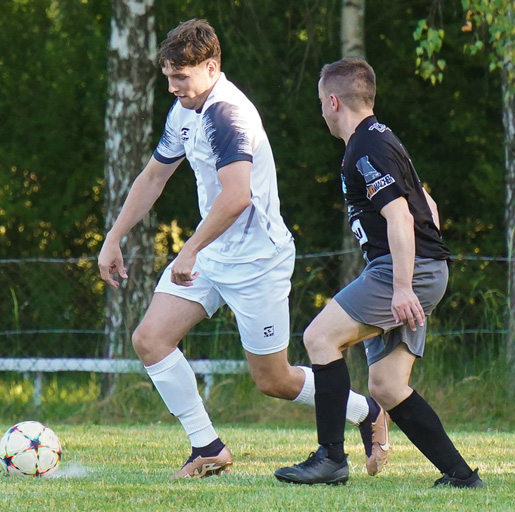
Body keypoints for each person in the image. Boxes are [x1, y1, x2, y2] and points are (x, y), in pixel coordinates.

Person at [98, 20, 389, 479]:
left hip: (257, 263)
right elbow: (154, 176)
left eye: (181, 77)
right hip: (212, 254)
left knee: (273, 380)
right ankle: (207, 447)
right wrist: (114, 236)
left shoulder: (227, 114)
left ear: (211, 67)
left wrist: (189, 250)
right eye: (168, 77)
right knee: (150, 339)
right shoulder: (184, 111)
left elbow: (237, 197)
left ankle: (365, 412)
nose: (173, 87)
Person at [274, 58, 483, 488]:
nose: (321, 111)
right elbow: (430, 207)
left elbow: (402, 217)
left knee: (319, 337)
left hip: (403, 271)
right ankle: (460, 476)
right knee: (386, 386)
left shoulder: (363, 149)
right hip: (422, 267)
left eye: (320, 103)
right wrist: (425, 265)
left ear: (333, 102)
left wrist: (404, 285)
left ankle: (330, 458)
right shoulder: (384, 138)